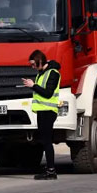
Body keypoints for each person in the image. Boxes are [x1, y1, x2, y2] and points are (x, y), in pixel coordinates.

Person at [22, 50, 62, 180]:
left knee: (47, 142)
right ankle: (49, 168)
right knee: (44, 141)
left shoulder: (53, 73)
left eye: (33, 64)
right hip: (42, 111)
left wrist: (33, 86)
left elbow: (48, 93)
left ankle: (51, 171)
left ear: (40, 60)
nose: (32, 67)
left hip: (48, 112)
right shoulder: (41, 73)